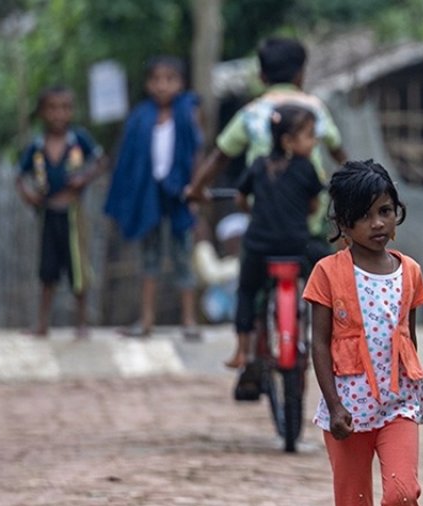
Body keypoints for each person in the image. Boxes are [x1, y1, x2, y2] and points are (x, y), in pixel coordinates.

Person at [305, 160, 423, 506]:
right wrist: (334, 404)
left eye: (385, 211)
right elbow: (318, 344)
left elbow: (409, 338)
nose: (378, 224)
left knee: (403, 495)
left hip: (399, 406)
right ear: (342, 224)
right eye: (365, 216)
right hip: (346, 414)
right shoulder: (326, 273)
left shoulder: (410, 272)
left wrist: (413, 395)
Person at [185, 37, 347, 253]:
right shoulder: (314, 109)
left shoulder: (250, 113)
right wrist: (352, 180)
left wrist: (196, 189)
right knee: (321, 268)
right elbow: (338, 152)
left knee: (250, 275)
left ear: (262, 77)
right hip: (307, 215)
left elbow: (219, 157)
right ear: (301, 75)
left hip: (264, 217)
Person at [104, 56, 204, 340]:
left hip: (180, 193)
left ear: (181, 83)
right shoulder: (140, 117)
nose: (163, 86)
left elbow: (196, 152)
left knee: (183, 255)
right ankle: (146, 319)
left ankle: (189, 320)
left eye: (170, 79)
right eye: (157, 80)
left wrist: (195, 190)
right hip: (149, 194)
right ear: (148, 84)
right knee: (149, 257)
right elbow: (129, 160)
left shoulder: (188, 112)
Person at [225, 104, 325, 370]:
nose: (314, 142)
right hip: (297, 245)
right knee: (333, 270)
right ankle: (336, 332)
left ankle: (242, 349)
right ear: (288, 141)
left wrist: (252, 210)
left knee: (247, 290)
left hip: (260, 245)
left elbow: (240, 198)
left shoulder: (258, 165)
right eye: (309, 136)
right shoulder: (306, 168)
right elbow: (314, 205)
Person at [15, 85, 104, 339]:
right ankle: (42, 324)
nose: (58, 114)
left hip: (73, 214)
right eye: (52, 108)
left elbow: (100, 161)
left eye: (64, 108)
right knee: (47, 271)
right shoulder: (37, 145)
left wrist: (84, 178)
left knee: (78, 269)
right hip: (47, 213)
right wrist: (28, 195)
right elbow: (19, 176)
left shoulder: (79, 140)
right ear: (42, 112)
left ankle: (82, 323)